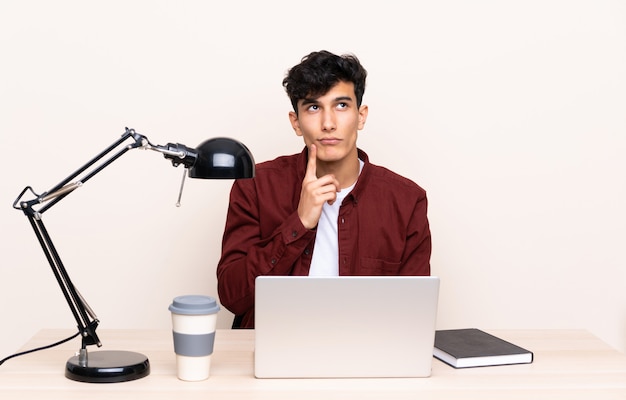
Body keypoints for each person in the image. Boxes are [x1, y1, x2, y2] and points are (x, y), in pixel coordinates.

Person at [217, 50, 431, 328]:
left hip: (365, 358)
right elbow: (232, 297)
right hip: (276, 352)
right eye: (313, 108)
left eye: (341, 105)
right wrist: (299, 224)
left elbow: (412, 315)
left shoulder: (405, 201)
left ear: (361, 116)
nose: (328, 123)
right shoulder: (256, 186)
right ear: (296, 122)